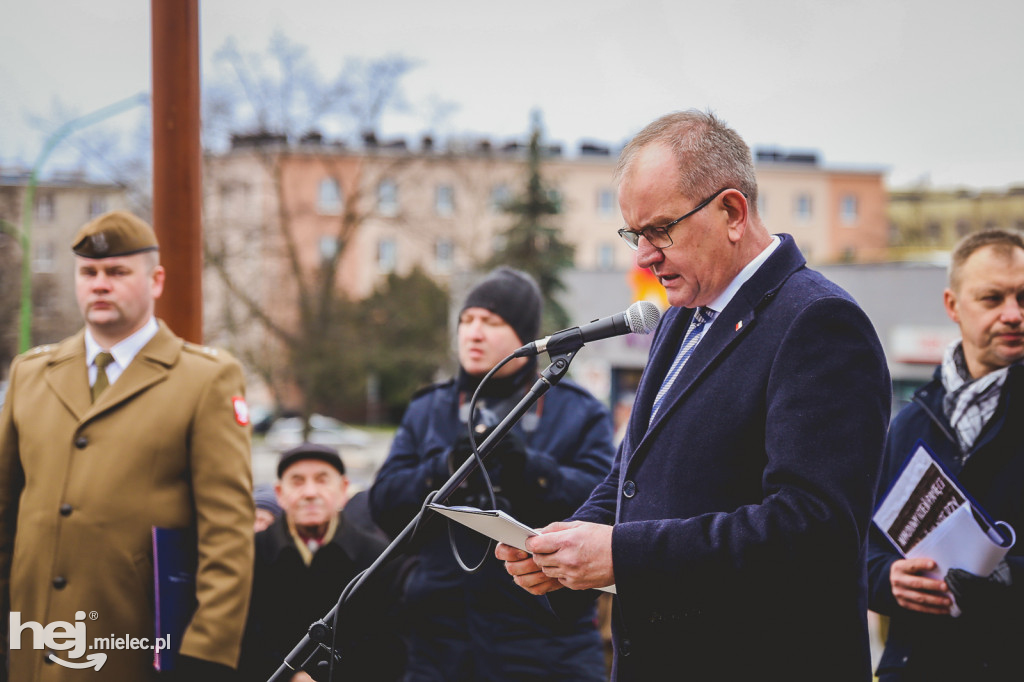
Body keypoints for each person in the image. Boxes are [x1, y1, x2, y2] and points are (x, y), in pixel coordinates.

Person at [497, 110, 892, 681]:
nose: (643, 256)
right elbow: (631, 475)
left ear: (732, 211)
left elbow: (815, 530)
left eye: (660, 230)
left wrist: (622, 554)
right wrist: (559, 552)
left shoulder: (818, 322)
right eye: (635, 234)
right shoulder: (682, 318)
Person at [0, 211, 254, 681]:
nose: (100, 284)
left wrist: (207, 654)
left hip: (136, 650)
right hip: (36, 648)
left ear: (156, 281)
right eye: (89, 273)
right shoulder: (31, 375)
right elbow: (5, 515)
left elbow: (228, 532)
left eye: (117, 272)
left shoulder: (205, 380)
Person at [370, 267, 616, 681]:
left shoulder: (577, 411)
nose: (474, 332)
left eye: (491, 321)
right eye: (467, 320)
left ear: (524, 335)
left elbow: (604, 508)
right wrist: (444, 469)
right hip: (441, 642)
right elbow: (384, 506)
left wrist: (530, 470)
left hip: (547, 643)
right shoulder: (428, 409)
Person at [867, 229, 1024, 681]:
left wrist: (1006, 578)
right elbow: (862, 548)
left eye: (1022, 297)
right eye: (992, 299)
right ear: (953, 306)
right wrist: (888, 578)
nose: (1013, 314)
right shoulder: (910, 423)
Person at [239, 442, 405, 681]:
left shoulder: (378, 559)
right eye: (297, 481)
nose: (309, 492)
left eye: (322, 480)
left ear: (343, 489)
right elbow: (241, 639)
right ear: (279, 493)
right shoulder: (249, 555)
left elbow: (389, 646)